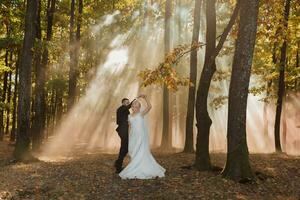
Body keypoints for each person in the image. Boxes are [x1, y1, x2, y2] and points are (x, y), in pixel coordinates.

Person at [119, 95, 165, 179]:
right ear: (131, 107)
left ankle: (141, 168)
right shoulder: (129, 116)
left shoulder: (141, 114)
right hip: (133, 136)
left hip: (141, 136)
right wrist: (129, 137)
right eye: (133, 106)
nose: (134, 108)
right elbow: (130, 127)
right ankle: (136, 166)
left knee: (141, 151)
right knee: (134, 151)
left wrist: (145, 98)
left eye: (136, 106)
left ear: (139, 108)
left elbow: (150, 106)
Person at [114, 98, 135, 173]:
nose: (128, 104)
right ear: (122, 103)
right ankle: (118, 166)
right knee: (124, 148)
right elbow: (127, 107)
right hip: (122, 130)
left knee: (125, 148)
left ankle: (118, 163)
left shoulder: (125, 110)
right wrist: (135, 100)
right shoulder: (121, 109)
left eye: (128, 102)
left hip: (125, 130)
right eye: (126, 102)